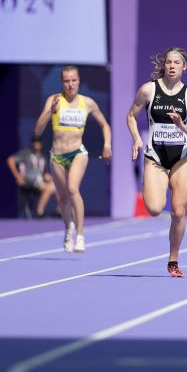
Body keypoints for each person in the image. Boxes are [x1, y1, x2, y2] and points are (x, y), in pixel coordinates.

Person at [127, 48, 187, 277]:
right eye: (169, 62)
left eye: (176, 62)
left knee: (179, 212)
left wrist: (181, 125)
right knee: (153, 208)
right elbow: (131, 115)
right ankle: (151, 182)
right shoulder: (149, 90)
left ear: (184, 67)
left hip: (182, 156)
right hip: (155, 156)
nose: (171, 66)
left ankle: (173, 260)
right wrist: (137, 139)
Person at [32, 66, 111, 251]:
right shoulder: (54, 100)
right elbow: (37, 131)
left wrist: (107, 145)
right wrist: (49, 112)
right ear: (62, 83)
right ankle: (69, 229)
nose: (70, 84)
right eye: (67, 81)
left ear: (79, 81)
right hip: (57, 155)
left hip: (77, 152)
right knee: (63, 199)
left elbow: (105, 125)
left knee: (73, 188)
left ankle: (81, 236)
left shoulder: (88, 102)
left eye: (74, 80)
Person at [7, 137, 56, 219]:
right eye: (35, 142)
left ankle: (59, 211)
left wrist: (47, 176)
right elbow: (10, 160)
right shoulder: (25, 153)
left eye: (39, 142)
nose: (37, 144)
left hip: (39, 181)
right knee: (50, 188)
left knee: (59, 186)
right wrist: (17, 176)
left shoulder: (42, 157)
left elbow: (44, 172)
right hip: (28, 181)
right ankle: (39, 212)